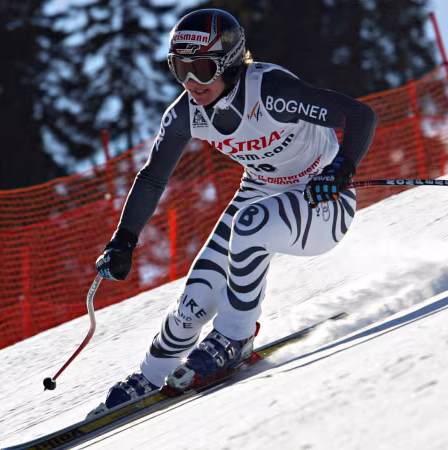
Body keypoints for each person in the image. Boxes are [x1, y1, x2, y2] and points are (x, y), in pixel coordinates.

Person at [91, 8, 377, 414]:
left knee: (248, 225)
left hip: (322, 202)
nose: (192, 82)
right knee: (191, 306)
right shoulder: (185, 113)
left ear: (228, 62)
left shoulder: (270, 90)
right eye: (180, 69)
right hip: (259, 193)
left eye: (203, 68)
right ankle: (150, 375)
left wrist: (340, 169)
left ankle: (234, 338)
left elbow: (359, 115)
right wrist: (123, 242)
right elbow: (153, 178)